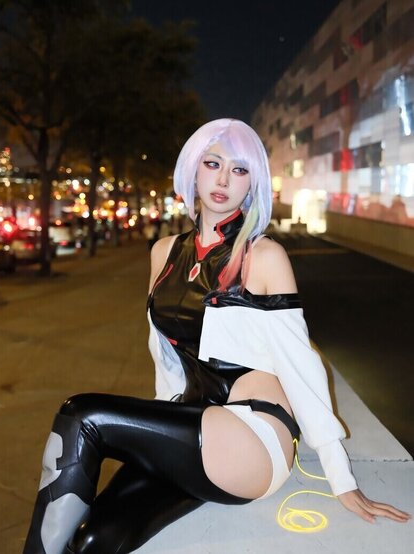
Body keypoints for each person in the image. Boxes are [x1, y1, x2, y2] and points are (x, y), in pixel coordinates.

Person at [23, 119, 410, 554]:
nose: (224, 179)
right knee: (93, 540)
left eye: (239, 170)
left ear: (252, 184)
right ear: (194, 170)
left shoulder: (263, 256)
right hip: (193, 427)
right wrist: (162, 422)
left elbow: (302, 366)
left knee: (82, 415)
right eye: (213, 164)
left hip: (252, 436)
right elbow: (166, 358)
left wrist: (342, 478)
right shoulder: (164, 252)